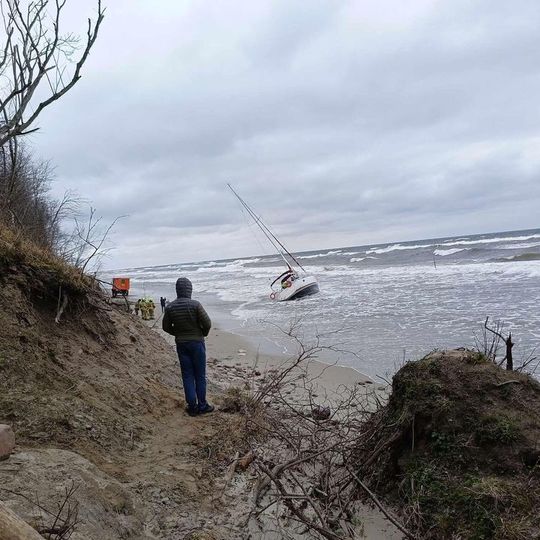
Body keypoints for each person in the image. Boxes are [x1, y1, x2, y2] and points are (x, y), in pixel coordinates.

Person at [162, 277, 213, 416]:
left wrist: (178, 333)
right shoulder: (195, 305)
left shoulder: (170, 307)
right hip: (197, 343)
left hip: (181, 344)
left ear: (177, 290)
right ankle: (202, 405)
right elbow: (207, 323)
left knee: (187, 375)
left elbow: (165, 327)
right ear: (190, 290)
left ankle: (192, 407)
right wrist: (203, 333)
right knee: (200, 375)